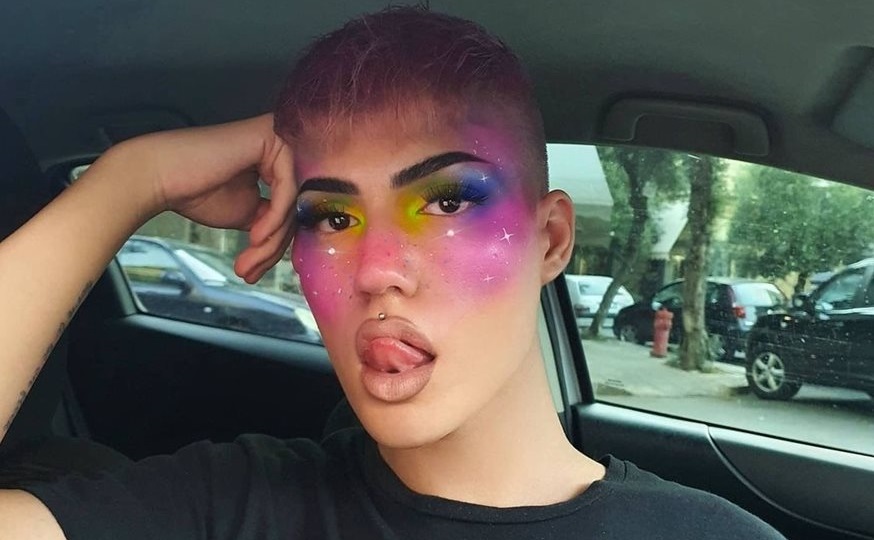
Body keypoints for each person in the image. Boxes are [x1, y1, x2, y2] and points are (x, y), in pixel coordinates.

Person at [0, 6, 784, 539]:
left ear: (549, 240)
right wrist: (130, 180)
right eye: (332, 218)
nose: (376, 271)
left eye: (446, 202)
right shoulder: (230, 505)